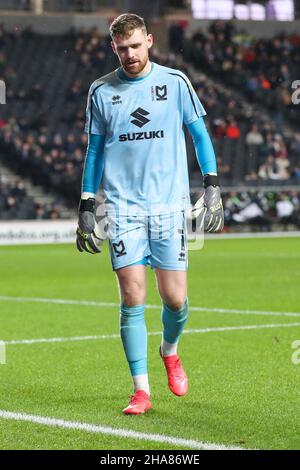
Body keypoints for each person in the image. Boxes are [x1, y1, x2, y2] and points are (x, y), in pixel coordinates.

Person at [76, 13, 224, 415]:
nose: (130, 54)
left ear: (149, 41)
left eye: (136, 46)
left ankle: (170, 351)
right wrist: (87, 203)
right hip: (121, 207)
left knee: (175, 300)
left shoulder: (175, 83)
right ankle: (140, 389)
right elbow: (93, 151)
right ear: (113, 48)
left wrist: (211, 185)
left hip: (168, 205)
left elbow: (199, 135)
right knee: (131, 296)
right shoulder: (101, 91)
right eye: (122, 48)